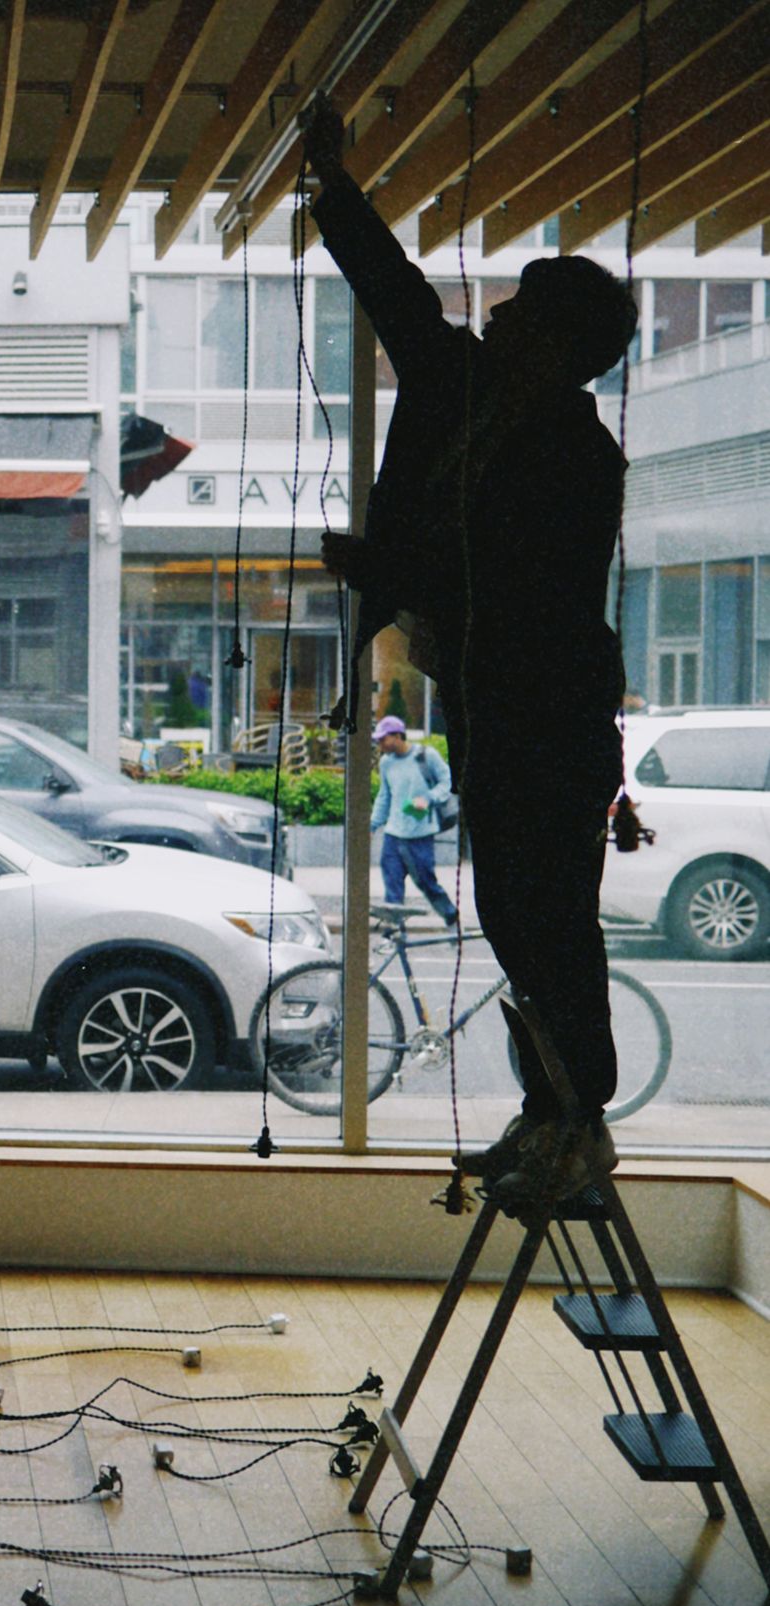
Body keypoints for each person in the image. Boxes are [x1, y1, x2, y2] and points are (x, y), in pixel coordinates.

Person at [303, 93, 638, 1212]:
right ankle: (550, 1116)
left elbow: (524, 599)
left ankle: (579, 1122)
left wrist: (386, 575)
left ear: (560, 348)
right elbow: (397, 294)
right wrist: (333, 188)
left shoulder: (580, 461)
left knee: (548, 918)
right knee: (509, 913)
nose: (492, 315)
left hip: (548, 716)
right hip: (496, 705)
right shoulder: (462, 391)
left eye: (520, 312)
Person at [370, 714, 457, 925]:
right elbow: (385, 795)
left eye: (383, 739)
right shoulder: (386, 763)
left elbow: (447, 783)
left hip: (420, 834)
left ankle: (450, 915)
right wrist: (373, 825)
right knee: (392, 883)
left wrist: (429, 798)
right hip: (393, 834)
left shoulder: (427, 756)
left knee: (426, 881)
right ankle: (394, 929)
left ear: (397, 736)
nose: (379, 743)